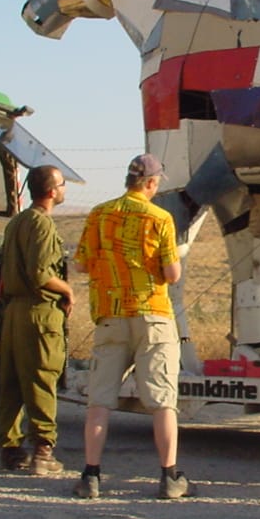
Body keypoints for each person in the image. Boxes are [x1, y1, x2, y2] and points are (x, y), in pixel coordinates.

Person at [72, 153, 196, 500]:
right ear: (152, 183)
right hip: (152, 315)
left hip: (111, 314)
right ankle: (170, 477)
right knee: (162, 400)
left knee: (99, 400)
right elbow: (172, 274)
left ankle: (91, 475)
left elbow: (81, 265)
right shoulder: (160, 218)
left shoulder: (99, 214)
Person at [0, 166, 74, 475]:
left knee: (12, 382)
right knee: (42, 377)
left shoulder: (17, 222)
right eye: (63, 184)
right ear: (52, 191)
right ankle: (43, 450)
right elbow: (40, 274)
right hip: (39, 311)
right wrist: (67, 289)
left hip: (14, 311)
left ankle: (11, 449)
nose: (65, 189)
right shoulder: (42, 225)